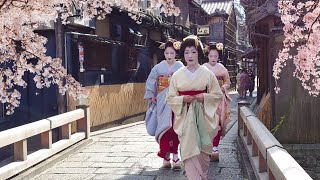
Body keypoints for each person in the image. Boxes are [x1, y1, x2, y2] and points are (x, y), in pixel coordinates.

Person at [166, 35, 223, 179]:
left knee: (203, 150)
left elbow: (217, 95)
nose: (190, 55)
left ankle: (202, 175)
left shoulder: (207, 74)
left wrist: (204, 97)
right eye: (186, 52)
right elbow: (170, 98)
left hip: (203, 116)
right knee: (188, 148)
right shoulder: (177, 75)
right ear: (183, 54)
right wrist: (183, 98)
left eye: (193, 51)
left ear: (199, 53)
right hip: (185, 117)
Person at [144, 40, 184, 169]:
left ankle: (175, 155)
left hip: (176, 101)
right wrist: (151, 95)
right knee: (164, 128)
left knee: (175, 128)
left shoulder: (181, 67)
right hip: (162, 100)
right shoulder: (158, 67)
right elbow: (151, 81)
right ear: (164, 53)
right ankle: (166, 155)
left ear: (176, 53)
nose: (169, 55)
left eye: (172, 52)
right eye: (167, 53)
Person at [203, 42, 232, 162]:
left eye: (215, 56)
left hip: (219, 99)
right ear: (208, 56)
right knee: (207, 123)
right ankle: (208, 146)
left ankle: (215, 147)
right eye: (211, 56)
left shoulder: (222, 68)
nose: (213, 58)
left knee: (218, 123)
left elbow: (228, 82)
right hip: (208, 98)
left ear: (218, 57)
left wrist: (223, 87)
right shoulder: (203, 68)